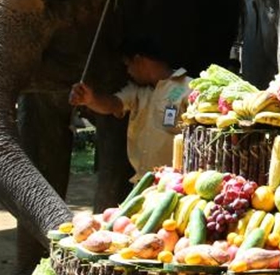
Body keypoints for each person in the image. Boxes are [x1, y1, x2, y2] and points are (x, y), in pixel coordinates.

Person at [69, 37, 191, 180]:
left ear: (139, 60)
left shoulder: (188, 88)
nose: (128, 72)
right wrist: (90, 100)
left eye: (128, 65)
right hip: (143, 182)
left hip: (175, 183)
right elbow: (112, 104)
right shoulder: (137, 92)